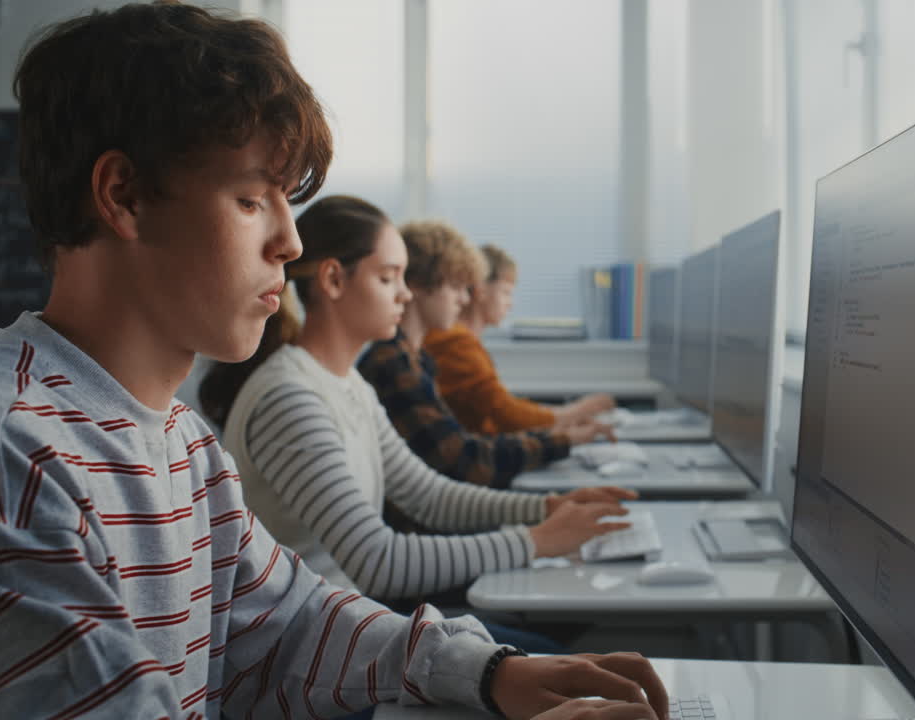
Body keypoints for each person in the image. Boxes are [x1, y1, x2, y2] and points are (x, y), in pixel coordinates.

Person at [0, 3, 668, 718]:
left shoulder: (183, 441)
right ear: (123, 195)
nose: (292, 241)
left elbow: (288, 624)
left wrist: (491, 671)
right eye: (251, 200)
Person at [202, 194, 633, 610]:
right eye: (388, 278)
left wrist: (545, 508)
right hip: (303, 655)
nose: (405, 295)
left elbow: (428, 495)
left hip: (345, 628)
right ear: (334, 280)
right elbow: (377, 561)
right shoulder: (290, 398)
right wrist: (535, 540)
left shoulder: (348, 383)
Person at [356, 222, 610, 489]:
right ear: (419, 285)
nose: (465, 299)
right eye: (456, 286)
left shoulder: (419, 359)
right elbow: (466, 459)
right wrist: (566, 436)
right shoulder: (399, 362)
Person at [424, 239, 616, 434]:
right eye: (506, 293)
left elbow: (499, 408)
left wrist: (563, 421)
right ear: (481, 289)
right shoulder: (456, 343)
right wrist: (575, 412)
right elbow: (506, 415)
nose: (511, 304)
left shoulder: (463, 340)